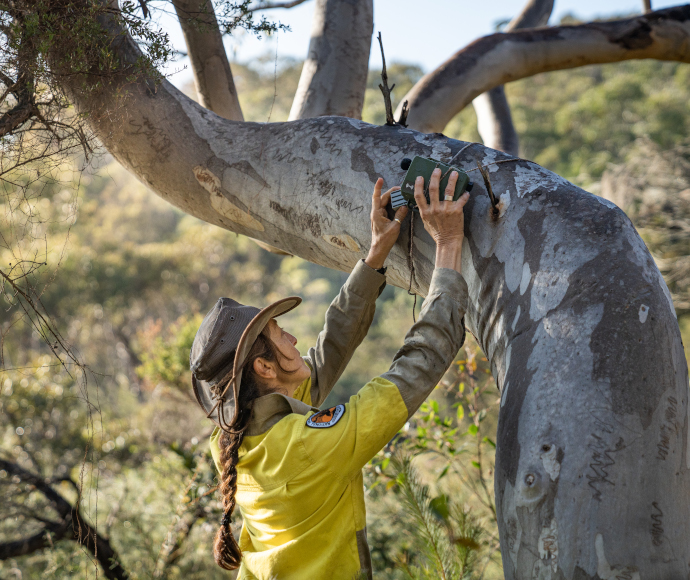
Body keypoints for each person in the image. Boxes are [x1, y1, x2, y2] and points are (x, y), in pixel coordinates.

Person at [190, 168, 470, 580]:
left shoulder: (233, 438)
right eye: (279, 334)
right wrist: (448, 243)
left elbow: (329, 350)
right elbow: (418, 365)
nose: (292, 337)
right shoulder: (304, 448)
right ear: (264, 368)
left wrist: (376, 254)